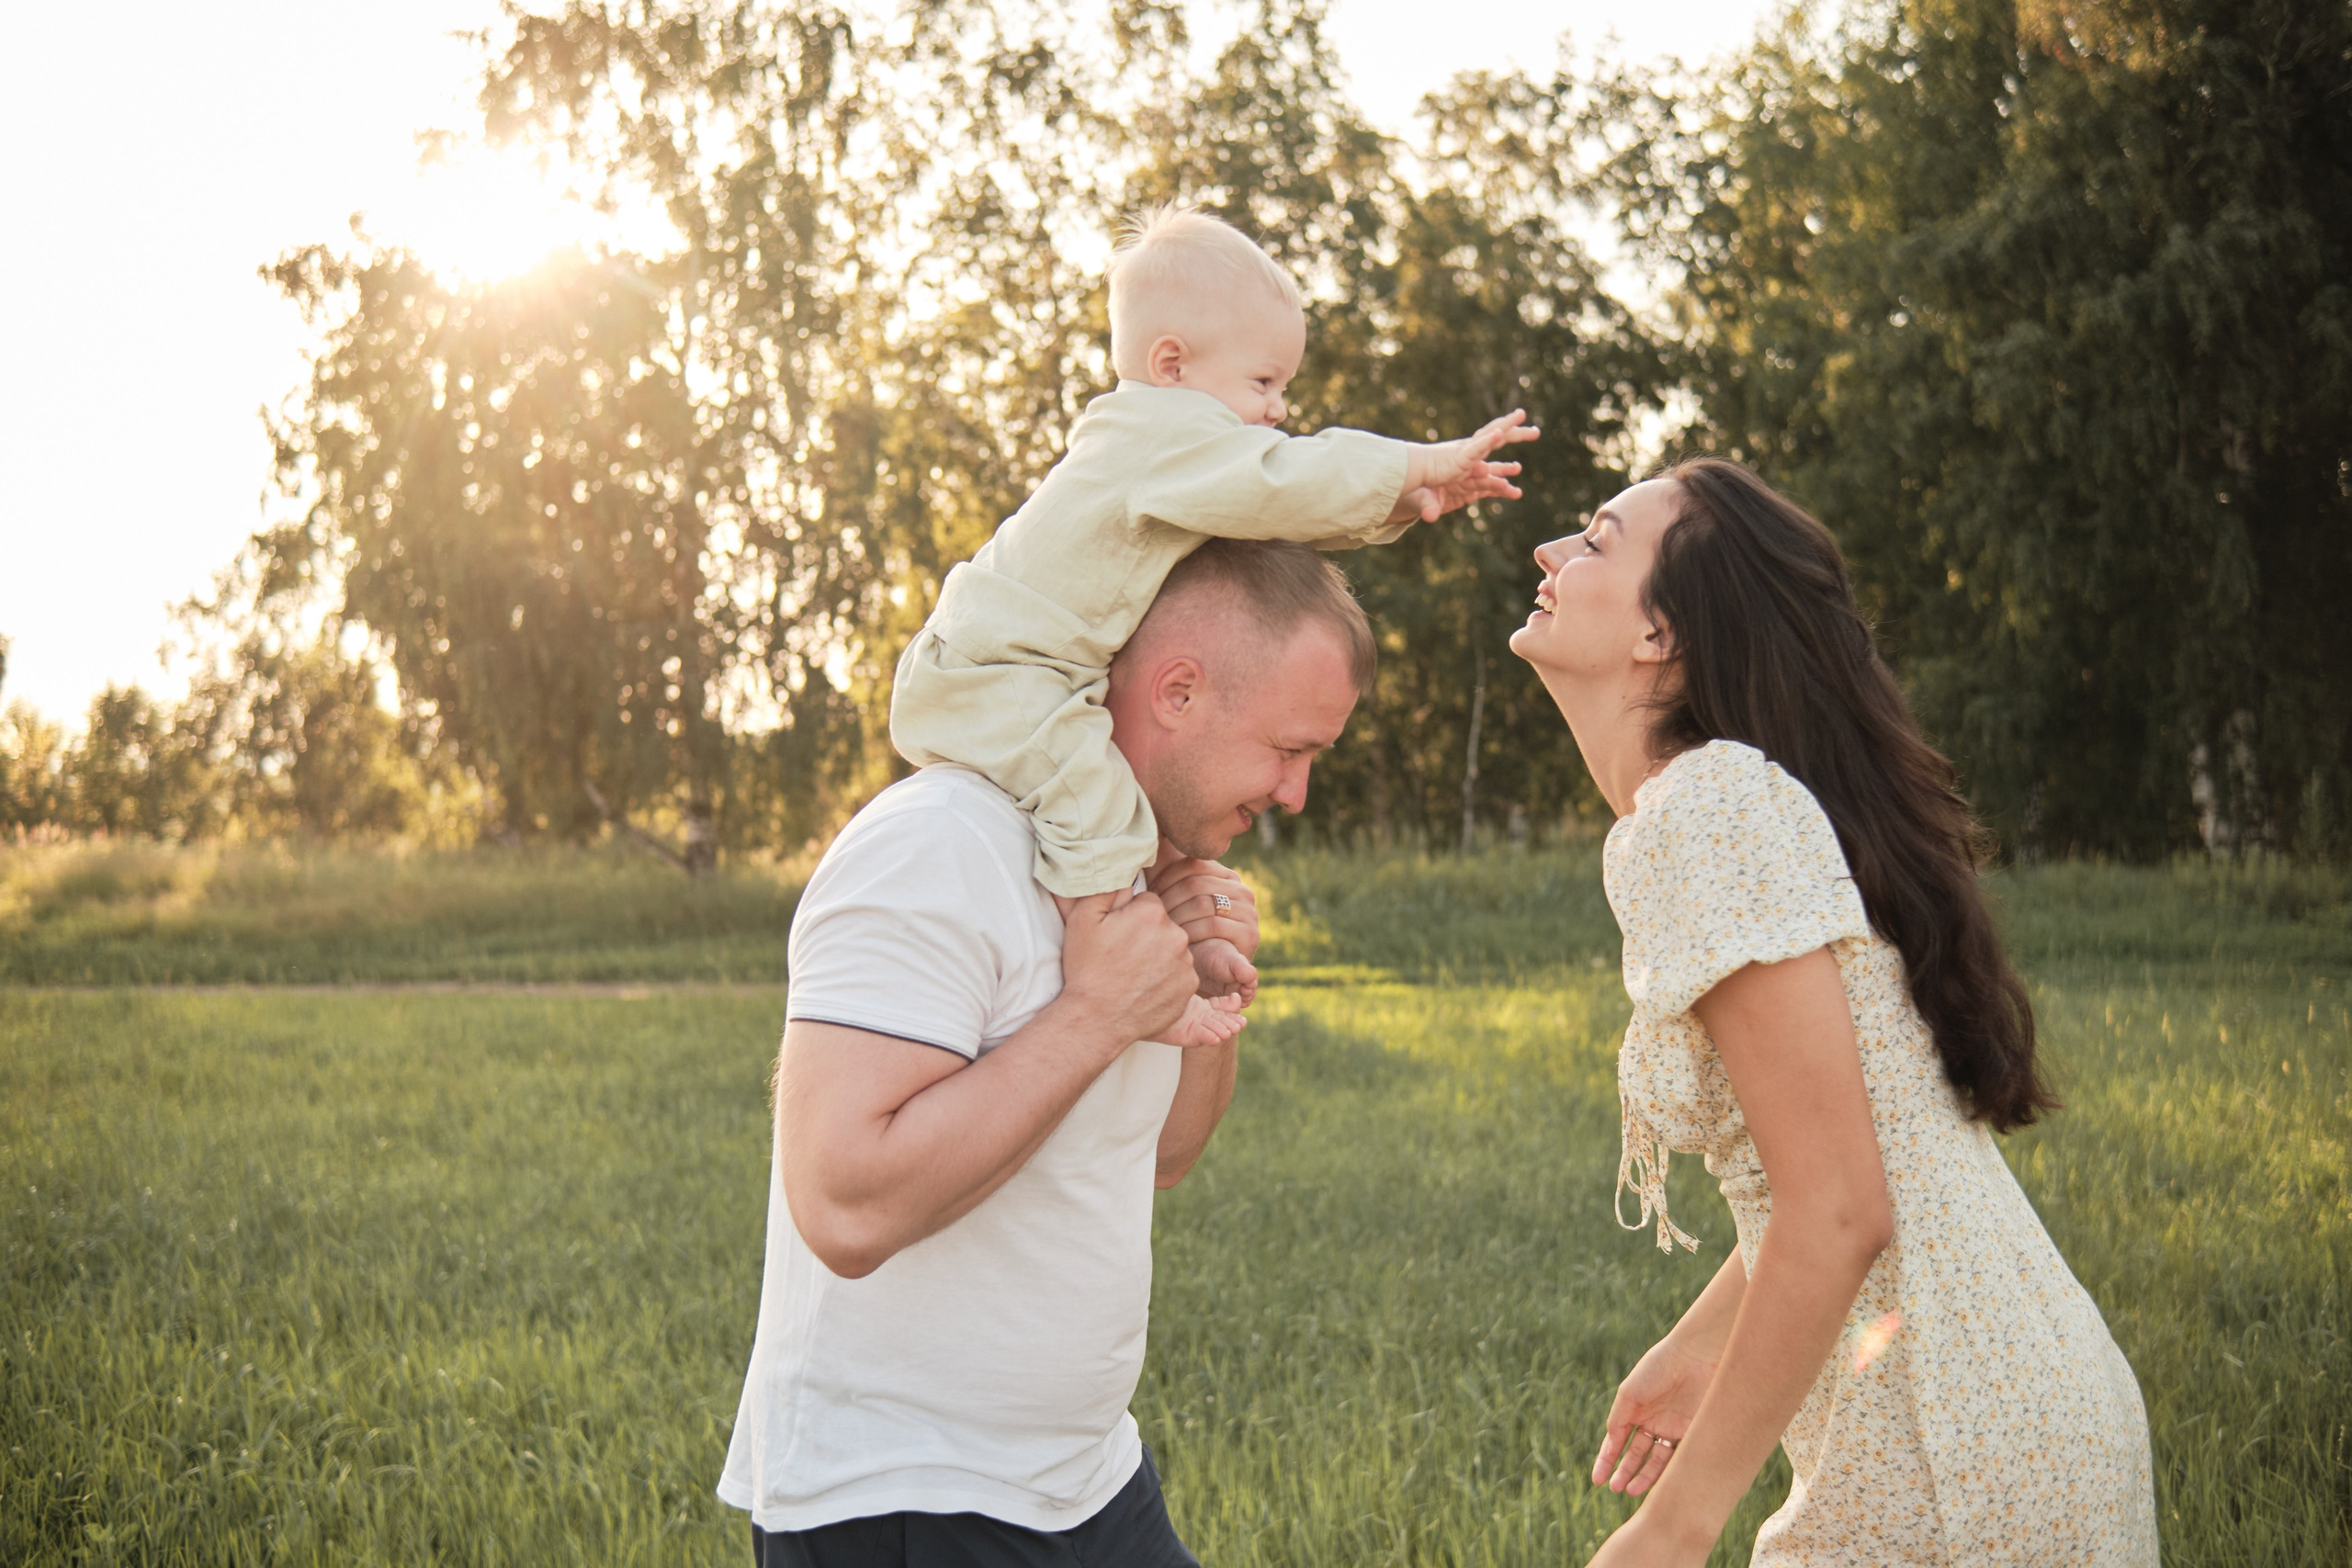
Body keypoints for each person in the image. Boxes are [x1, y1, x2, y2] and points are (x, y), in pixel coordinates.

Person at [1510, 458, 2158, 1565]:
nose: (1549, 554)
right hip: (2009, 1410)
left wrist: (1675, 1525)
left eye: (1598, 539)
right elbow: (1867, 1149)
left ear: (1660, 633)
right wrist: (1697, 1342)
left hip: (1950, 1446)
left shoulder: (1705, 813)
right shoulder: (1731, 802)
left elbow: (1840, 1205)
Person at [718, 538, 1377, 1567]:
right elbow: (846, 1203)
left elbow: (1164, 1155)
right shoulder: (940, 844)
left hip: (1087, 1481)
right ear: (1178, 691)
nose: (1293, 793)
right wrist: (1100, 1014)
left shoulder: (1128, 877)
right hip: (907, 1501)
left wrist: (1198, 992)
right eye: (1287, 749)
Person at [889, 202, 1535, 918]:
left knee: (1106, 803)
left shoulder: (1153, 444)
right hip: (1003, 677)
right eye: (1264, 383)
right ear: (1172, 364)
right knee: (1101, 814)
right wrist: (1422, 462)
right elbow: (1284, 480)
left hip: (998, 665)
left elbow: (1276, 505)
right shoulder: (1160, 433)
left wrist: (1406, 502)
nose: (1279, 410)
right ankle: (1114, 961)